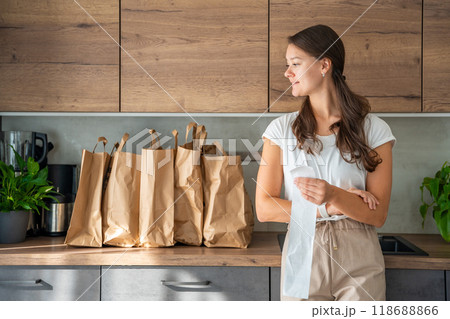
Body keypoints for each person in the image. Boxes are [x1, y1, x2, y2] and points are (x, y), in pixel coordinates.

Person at [255, 24, 396, 301]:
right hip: (302, 252)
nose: (288, 73)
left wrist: (332, 193)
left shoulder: (374, 130)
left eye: (296, 63)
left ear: (324, 65)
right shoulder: (280, 131)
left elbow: (377, 215)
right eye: (287, 65)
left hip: (360, 260)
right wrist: (332, 205)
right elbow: (264, 207)